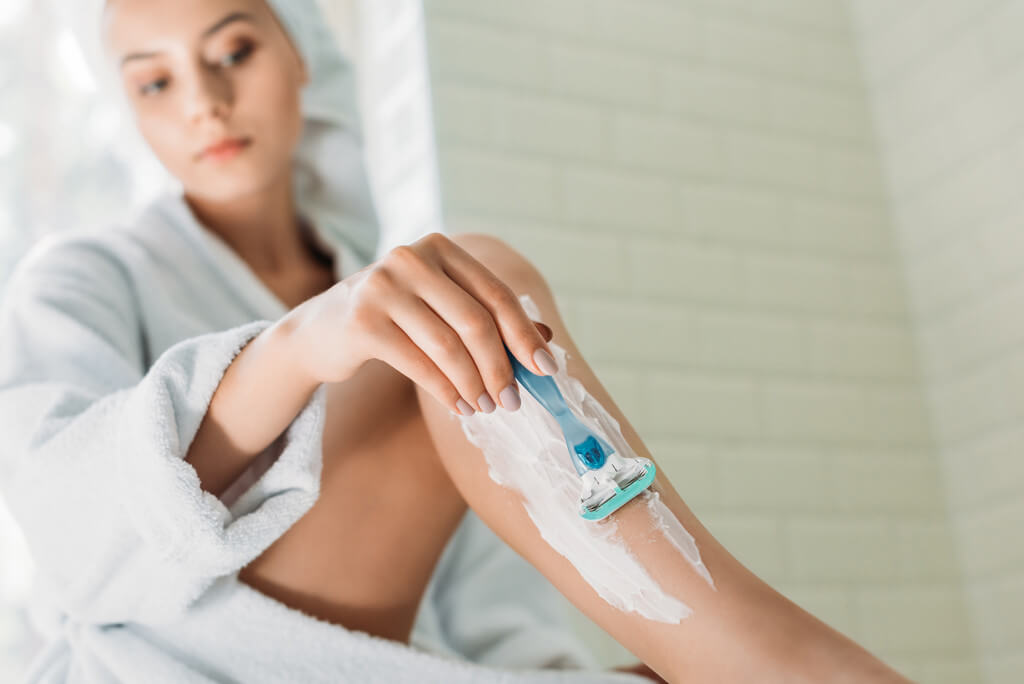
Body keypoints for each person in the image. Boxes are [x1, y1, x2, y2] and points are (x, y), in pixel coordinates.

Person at [0, 0, 915, 682]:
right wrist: (295, 351)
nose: (204, 102)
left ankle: (733, 655)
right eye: (155, 81)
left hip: (380, 659)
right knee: (455, 290)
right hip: (166, 660)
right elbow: (75, 538)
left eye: (235, 48)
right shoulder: (78, 277)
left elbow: (484, 590)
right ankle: (780, 661)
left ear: (302, 52)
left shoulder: (372, 281)